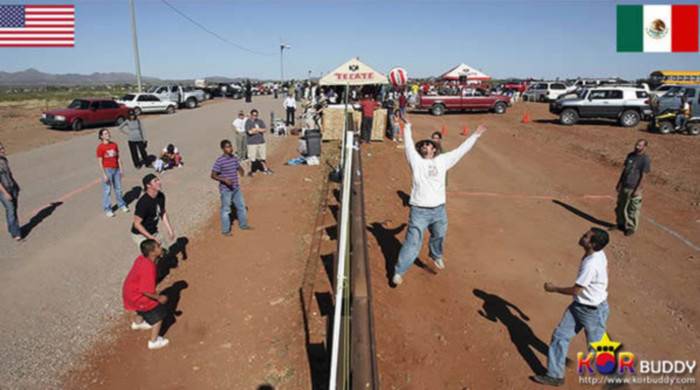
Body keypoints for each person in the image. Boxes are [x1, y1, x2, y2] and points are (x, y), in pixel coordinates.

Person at [392, 120, 487, 285]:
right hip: (419, 211)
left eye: (428, 145)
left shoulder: (443, 160)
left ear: (434, 149)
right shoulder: (416, 161)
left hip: (439, 210)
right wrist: (407, 127)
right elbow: (408, 146)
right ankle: (399, 272)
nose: (425, 147)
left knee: (439, 235)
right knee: (412, 243)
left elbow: (461, 151)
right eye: (422, 145)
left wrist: (475, 135)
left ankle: (435, 256)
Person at [532, 228, 610, 387]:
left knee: (596, 348)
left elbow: (576, 290)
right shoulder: (597, 254)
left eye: (586, 237)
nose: (582, 236)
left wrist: (554, 289)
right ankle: (555, 376)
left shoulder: (592, 264)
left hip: (592, 311)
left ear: (593, 244)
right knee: (560, 336)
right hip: (579, 306)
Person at [122, 239, 170, 350]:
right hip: (138, 296)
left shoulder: (141, 259)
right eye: (158, 247)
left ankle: (138, 323)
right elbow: (146, 291)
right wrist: (159, 297)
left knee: (142, 309)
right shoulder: (149, 267)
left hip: (129, 292)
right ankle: (154, 341)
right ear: (152, 252)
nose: (160, 247)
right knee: (158, 315)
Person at [211, 140, 251, 236]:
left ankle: (243, 225)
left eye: (231, 146)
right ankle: (225, 230)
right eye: (227, 147)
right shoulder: (219, 161)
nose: (230, 149)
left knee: (241, 206)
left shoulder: (234, 158)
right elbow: (213, 175)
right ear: (223, 149)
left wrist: (242, 171)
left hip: (236, 188)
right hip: (226, 190)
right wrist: (224, 179)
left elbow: (238, 167)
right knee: (226, 210)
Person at [615, 139, 651, 236]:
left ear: (645, 147)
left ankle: (631, 228)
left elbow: (643, 176)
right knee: (621, 206)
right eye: (636, 145)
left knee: (632, 209)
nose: (637, 147)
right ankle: (621, 224)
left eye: (639, 145)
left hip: (634, 187)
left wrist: (638, 189)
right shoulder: (630, 155)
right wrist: (619, 183)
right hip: (625, 185)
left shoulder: (645, 159)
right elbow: (625, 170)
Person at [131, 174, 175, 249]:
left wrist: (170, 229)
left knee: (165, 251)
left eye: (158, 180)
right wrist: (151, 238)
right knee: (153, 254)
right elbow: (137, 224)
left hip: (153, 231)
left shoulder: (161, 196)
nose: (159, 182)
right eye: (155, 181)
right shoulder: (143, 203)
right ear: (148, 185)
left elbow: (163, 212)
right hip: (140, 235)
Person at [96, 129, 128, 217]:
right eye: (105, 133)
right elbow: (100, 161)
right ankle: (108, 209)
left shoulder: (114, 145)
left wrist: (121, 169)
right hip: (107, 170)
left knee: (118, 189)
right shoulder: (100, 147)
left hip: (116, 169)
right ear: (101, 136)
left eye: (108, 133)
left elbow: (118, 158)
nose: (108, 134)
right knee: (107, 190)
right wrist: (104, 174)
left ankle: (121, 205)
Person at [0, 142, 21, 241]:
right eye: (0, 149)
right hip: (3, 191)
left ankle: (12, 228)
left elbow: (10, 174)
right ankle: (16, 234)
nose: (3, 150)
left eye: (2, 148)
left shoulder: (4, 160)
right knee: (11, 210)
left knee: (14, 209)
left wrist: (16, 185)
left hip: (12, 187)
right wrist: (5, 193)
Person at [245, 109, 273, 175]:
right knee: (252, 158)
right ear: (251, 115)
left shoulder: (260, 121)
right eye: (254, 115)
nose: (255, 116)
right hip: (252, 143)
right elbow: (249, 132)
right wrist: (257, 130)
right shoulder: (248, 122)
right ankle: (252, 171)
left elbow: (265, 129)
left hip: (261, 142)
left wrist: (256, 129)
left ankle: (265, 169)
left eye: (256, 115)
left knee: (263, 157)